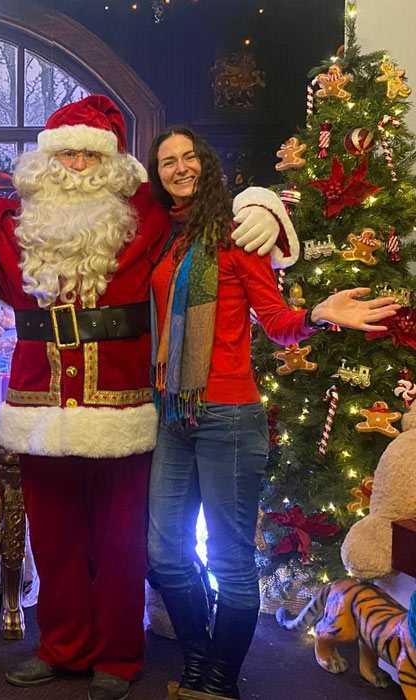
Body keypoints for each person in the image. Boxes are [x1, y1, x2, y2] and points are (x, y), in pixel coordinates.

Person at [0, 94, 296, 700]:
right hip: (39, 406)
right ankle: (61, 647)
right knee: (54, 539)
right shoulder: (15, 223)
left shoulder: (143, 213)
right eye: (68, 154)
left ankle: (118, 653)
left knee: (120, 542)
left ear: (112, 162)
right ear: (47, 162)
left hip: (125, 402)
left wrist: (259, 205)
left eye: (92, 153)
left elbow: (203, 199)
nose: (80, 164)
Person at [144, 126, 398, 700]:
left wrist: (319, 314)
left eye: (188, 157)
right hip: (173, 415)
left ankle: (216, 682)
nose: (179, 168)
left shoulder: (237, 237)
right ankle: (199, 664)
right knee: (165, 551)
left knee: (231, 560)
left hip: (229, 417)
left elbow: (277, 322)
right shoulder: (170, 240)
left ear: (205, 163)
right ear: (158, 175)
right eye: (167, 162)